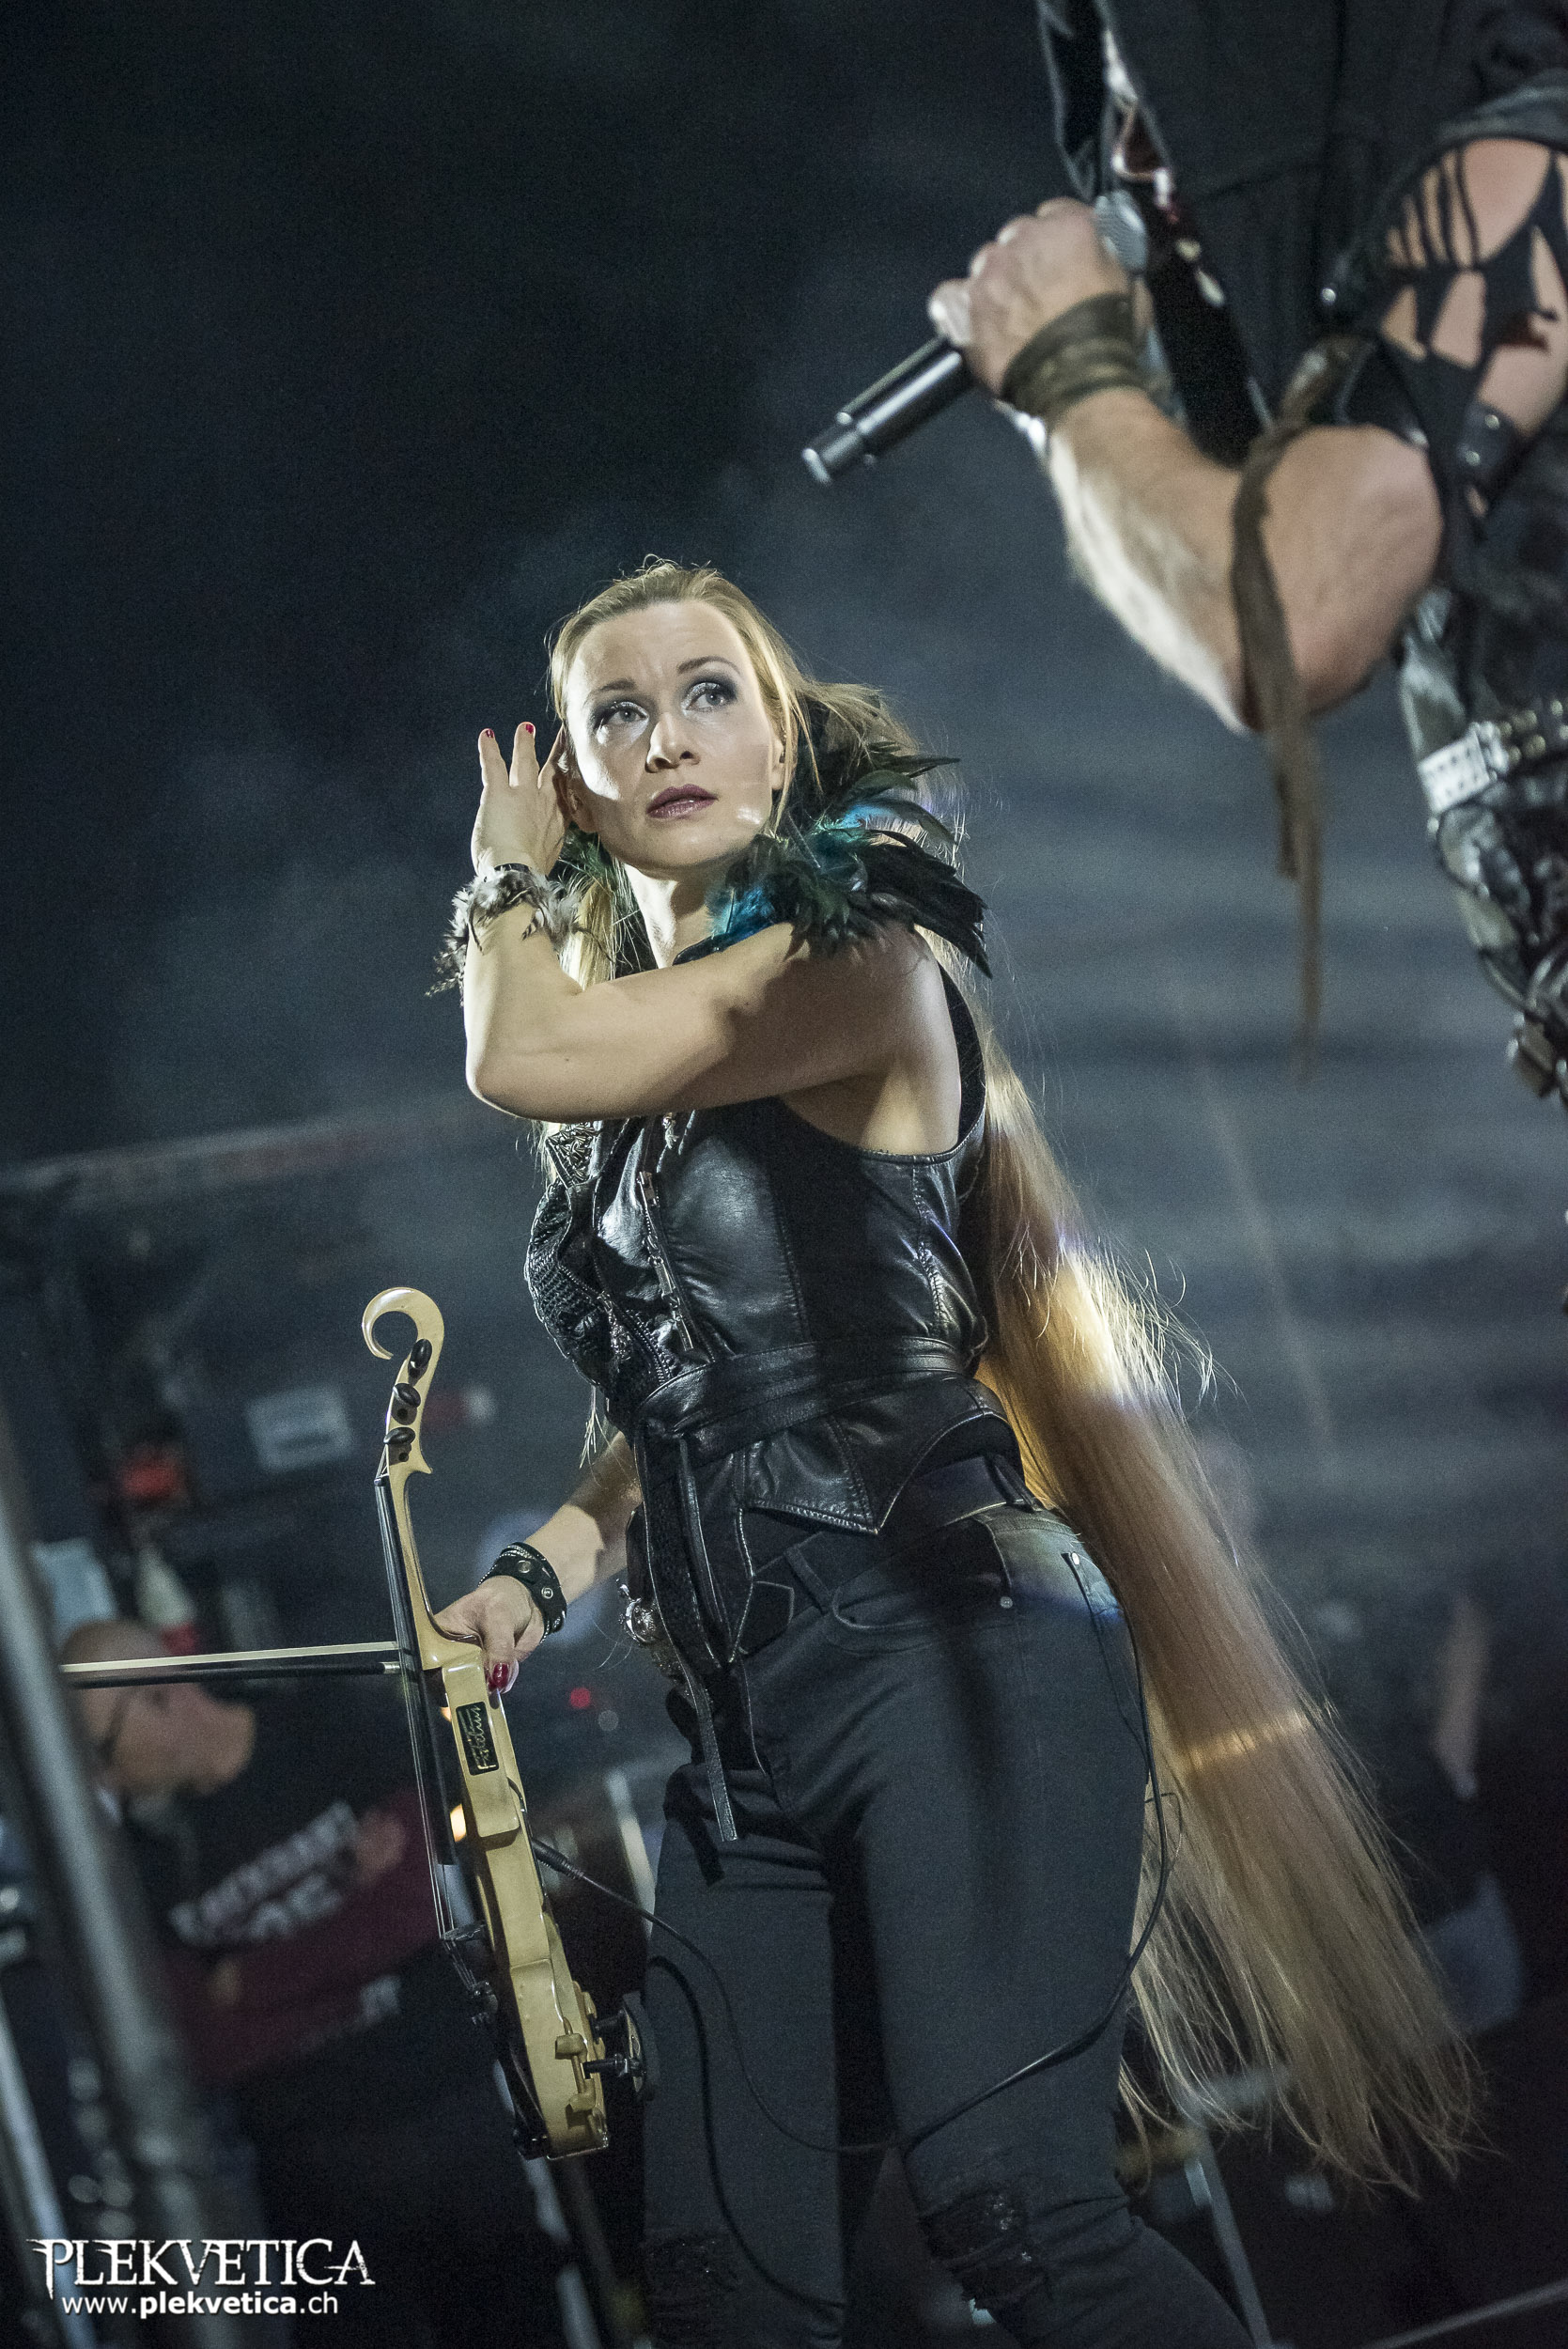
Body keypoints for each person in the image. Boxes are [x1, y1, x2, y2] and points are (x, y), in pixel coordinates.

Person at [431, 559, 1471, 2349]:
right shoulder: (641, 1099)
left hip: (943, 1644)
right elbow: (678, 1389)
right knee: (725, 2294)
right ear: (583, 781)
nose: (664, 737)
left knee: (1016, 2217)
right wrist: (542, 1569)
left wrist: (499, 877)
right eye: (616, 714)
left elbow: (513, 1052)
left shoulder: (855, 963)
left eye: (705, 694)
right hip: (746, 1726)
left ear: (779, 741)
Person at [925, 4, 1568, 1091]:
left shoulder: (1533, 171)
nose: (1135, 156)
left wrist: (1070, 374)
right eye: (1118, 103)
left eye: (1171, 96)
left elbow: (1282, 626)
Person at [63, 1615, 570, 2349]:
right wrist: (351, 1909)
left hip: (450, 2120)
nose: (102, 1782)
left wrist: (245, 1981)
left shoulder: (331, 1730)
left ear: (160, 1697)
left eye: (101, 1753)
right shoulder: (144, 1868)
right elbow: (205, 2048)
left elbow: (418, 1910)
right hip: (315, 2189)